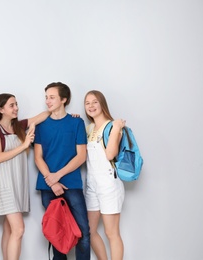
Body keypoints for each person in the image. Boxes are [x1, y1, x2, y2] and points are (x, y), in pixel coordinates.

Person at [0, 93, 49, 260]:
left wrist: (63, 113)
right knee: (19, 229)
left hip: (19, 182)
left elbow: (42, 116)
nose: (16, 108)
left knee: (9, 229)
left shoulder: (19, 126)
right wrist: (24, 145)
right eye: (11, 105)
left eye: (16, 104)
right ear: (1, 109)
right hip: (6, 183)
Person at [34, 82, 90, 260]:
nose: (47, 101)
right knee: (57, 235)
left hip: (71, 184)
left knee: (83, 233)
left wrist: (57, 177)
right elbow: (38, 157)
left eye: (52, 97)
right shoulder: (41, 126)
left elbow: (81, 156)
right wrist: (52, 182)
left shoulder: (77, 122)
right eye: (46, 97)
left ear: (63, 99)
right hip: (48, 187)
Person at [84, 90, 125, 260]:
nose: (91, 106)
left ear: (102, 104)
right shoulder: (89, 128)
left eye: (95, 102)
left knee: (111, 232)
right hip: (92, 183)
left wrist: (116, 129)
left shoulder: (112, 126)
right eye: (87, 103)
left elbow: (110, 155)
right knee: (89, 230)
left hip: (109, 183)